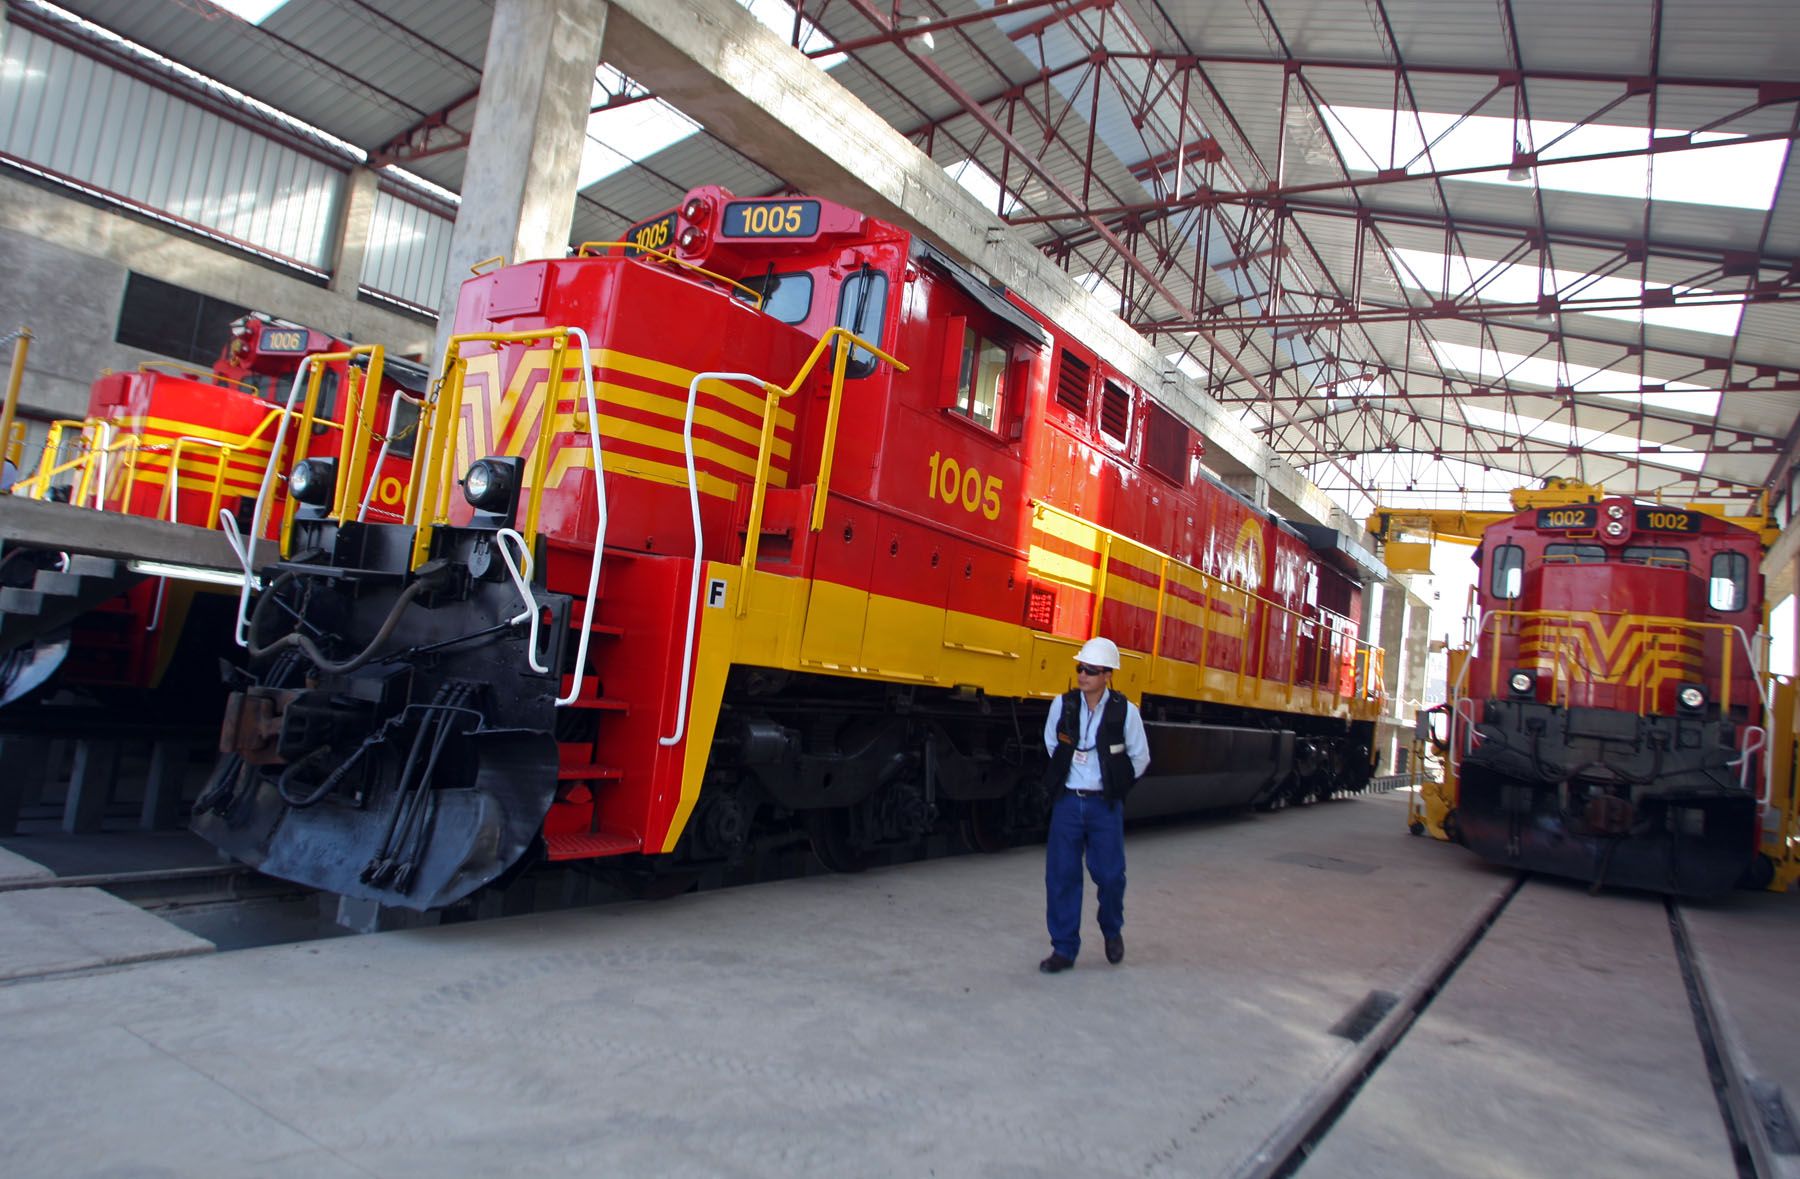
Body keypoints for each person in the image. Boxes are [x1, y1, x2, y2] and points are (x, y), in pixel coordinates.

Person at [1038, 636, 1149, 973]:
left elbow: (1140, 757)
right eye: (1080, 668)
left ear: (1107, 675)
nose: (1082, 674)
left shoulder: (1126, 712)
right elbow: (1050, 743)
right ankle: (1064, 949)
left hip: (1104, 806)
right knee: (1061, 877)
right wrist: (1069, 775)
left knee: (1112, 876)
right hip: (1069, 803)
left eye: (1090, 669)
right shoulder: (1063, 705)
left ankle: (1111, 929)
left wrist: (1114, 785)